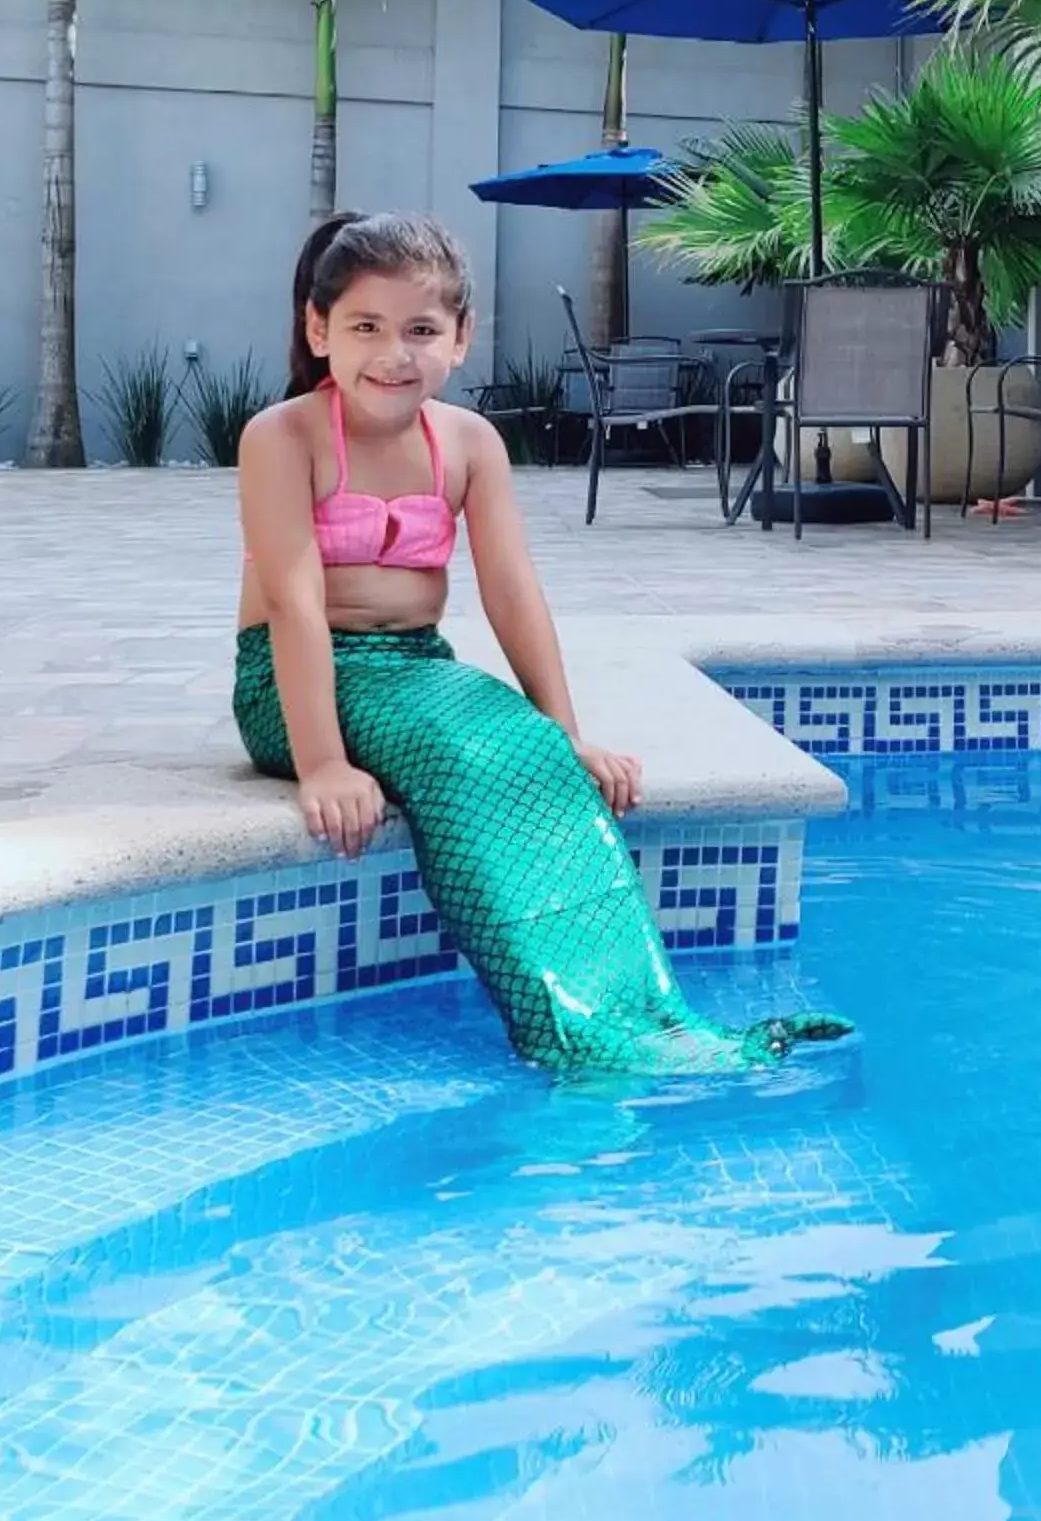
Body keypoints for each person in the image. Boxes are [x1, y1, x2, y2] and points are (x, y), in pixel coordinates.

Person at [236, 210, 849, 1077]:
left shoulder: (468, 442)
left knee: (524, 746)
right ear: (318, 328)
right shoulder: (283, 435)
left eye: (421, 330)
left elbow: (512, 591)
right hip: (288, 681)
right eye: (365, 328)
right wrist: (323, 764)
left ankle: (657, 1021)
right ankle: (574, 1037)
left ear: (461, 338)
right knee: (457, 754)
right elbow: (296, 608)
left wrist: (563, 731)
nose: (392, 354)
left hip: (412, 668)